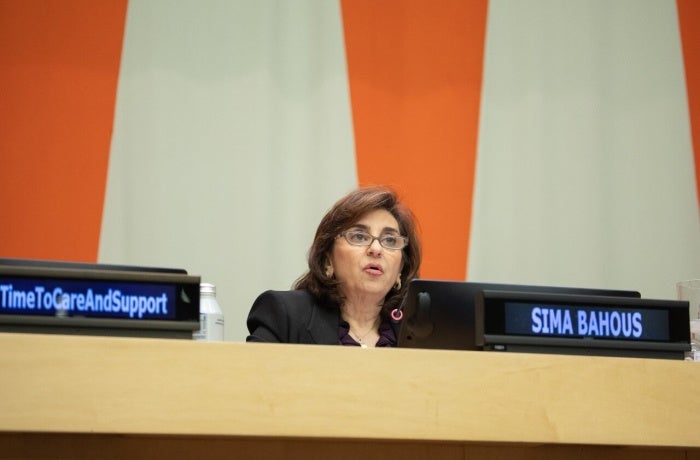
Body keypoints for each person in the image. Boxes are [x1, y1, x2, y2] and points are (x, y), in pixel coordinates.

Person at [246, 185, 422, 347]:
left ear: (400, 270)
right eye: (359, 236)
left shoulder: (423, 335)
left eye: (390, 240)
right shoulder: (285, 316)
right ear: (328, 259)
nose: (376, 249)